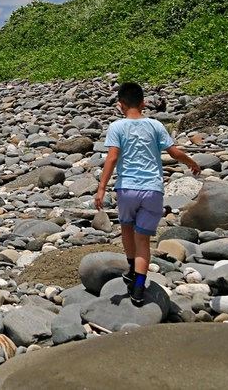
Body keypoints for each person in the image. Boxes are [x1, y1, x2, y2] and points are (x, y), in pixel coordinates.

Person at [95, 82, 201, 306]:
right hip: (152, 189)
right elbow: (173, 152)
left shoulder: (117, 127)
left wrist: (101, 187)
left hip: (127, 189)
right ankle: (139, 288)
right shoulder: (155, 125)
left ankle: (132, 270)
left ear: (119, 105)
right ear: (144, 103)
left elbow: (112, 158)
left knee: (126, 227)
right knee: (143, 239)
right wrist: (191, 162)